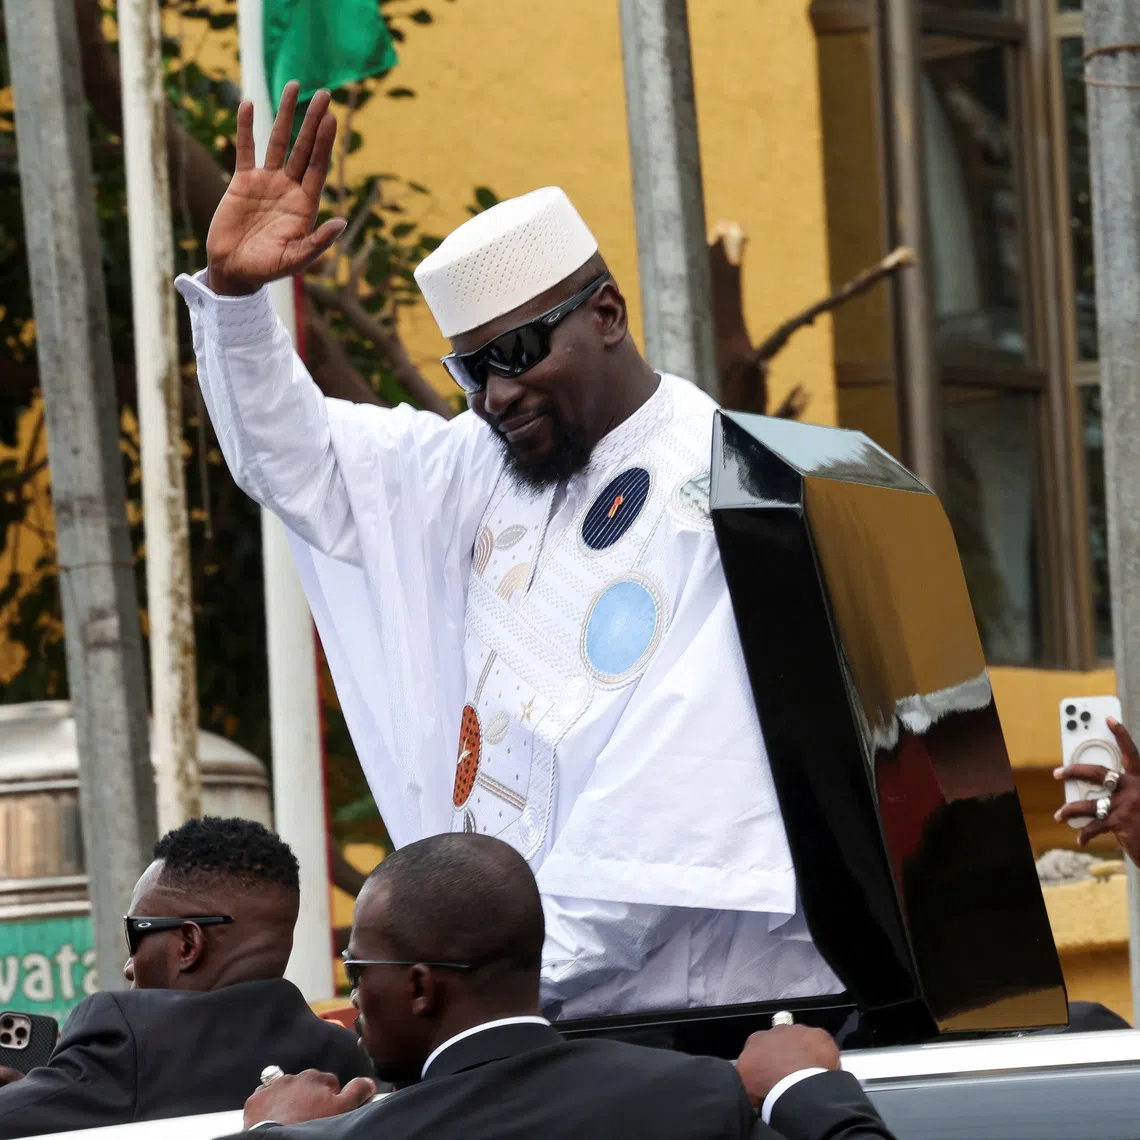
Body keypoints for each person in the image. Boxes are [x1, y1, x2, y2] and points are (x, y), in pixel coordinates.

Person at [176, 81, 839, 1019]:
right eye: (471, 368)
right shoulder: (475, 467)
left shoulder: (728, 494)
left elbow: (662, 825)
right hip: (511, 1011)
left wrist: (484, 997)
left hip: (691, 1017)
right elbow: (300, 461)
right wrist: (240, 303)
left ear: (606, 315)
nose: (496, 394)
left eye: (521, 351)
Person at [237, 833, 894, 1140]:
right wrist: (803, 1090)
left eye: (358, 972)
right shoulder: (703, 1098)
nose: (352, 998)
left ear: (418, 987)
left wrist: (273, 1134)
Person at [0, 817, 371, 1138]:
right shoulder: (349, 1061)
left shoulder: (127, 1042)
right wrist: (43, 1092)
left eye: (136, 934)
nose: (129, 966)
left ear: (188, 945)